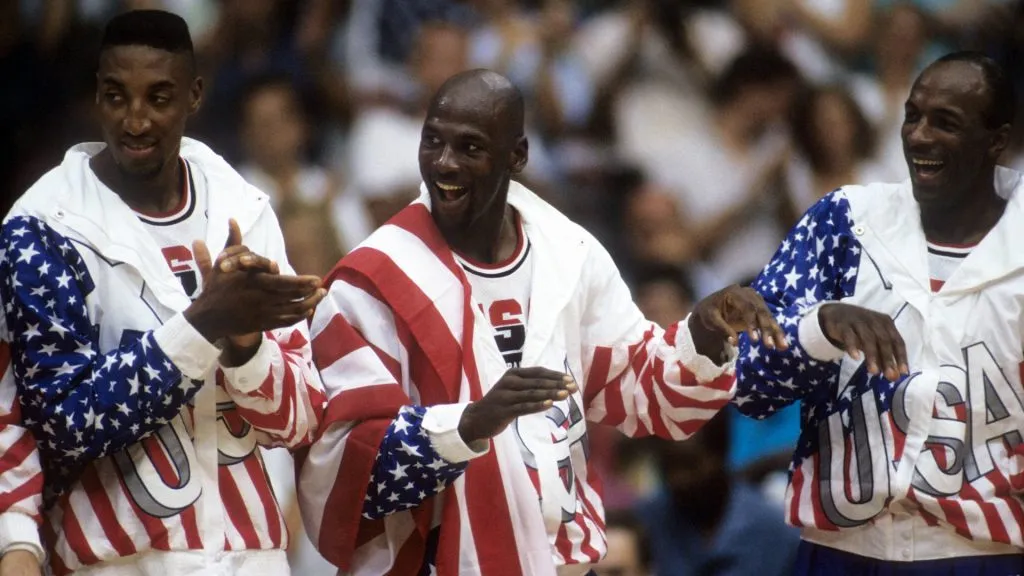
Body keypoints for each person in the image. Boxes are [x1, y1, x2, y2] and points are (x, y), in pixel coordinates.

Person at [297, 68, 786, 576]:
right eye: (433, 141)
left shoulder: (569, 253)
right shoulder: (373, 279)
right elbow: (340, 467)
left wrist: (705, 331)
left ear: (518, 156)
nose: (444, 163)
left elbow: (643, 389)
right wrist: (468, 424)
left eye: (470, 148)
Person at [0, 10, 327, 575]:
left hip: (252, 558)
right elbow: (63, 420)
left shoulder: (242, 208)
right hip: (118, 562)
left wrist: (248, 345)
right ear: (95, 96)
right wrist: (203, 326)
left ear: (195, 95)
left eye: (158, 97)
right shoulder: (41, 226)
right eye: (115, 96)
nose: (135, 120)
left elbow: (301, 418)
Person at [734, 51, 1024, 574]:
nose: (918, 136)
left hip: (985, 556)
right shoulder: (843, 221)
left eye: (946, 123)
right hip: (839, 552)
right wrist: (819, 327)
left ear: (996, 140)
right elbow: (750, 383)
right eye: (912, 115)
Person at [638, 413, 800, 576]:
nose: (679, 479)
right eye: (668, 467)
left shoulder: (776, 532)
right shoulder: (648, 523)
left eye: (691, 465)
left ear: (720, 454)